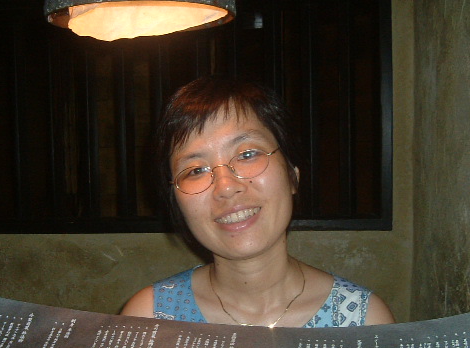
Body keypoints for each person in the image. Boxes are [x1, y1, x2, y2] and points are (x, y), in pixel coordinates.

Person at [121, 76, 394, 328]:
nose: (226, 187)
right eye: (196, 170)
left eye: (247, 154)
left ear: (292, 175)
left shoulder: (363, 321)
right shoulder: (148, 321)